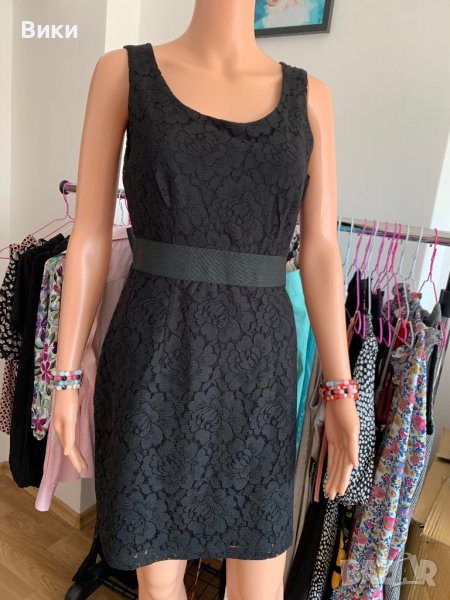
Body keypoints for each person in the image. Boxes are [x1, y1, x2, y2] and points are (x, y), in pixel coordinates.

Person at [51, 1, 360, 599]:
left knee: (259, 580)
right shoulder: (123, 74)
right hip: (154, 365)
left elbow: (321, 251)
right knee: (159, 582)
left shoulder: (311, 98)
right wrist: (65, 374)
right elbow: (88, 233)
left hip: (259, 379)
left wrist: (341, 388)